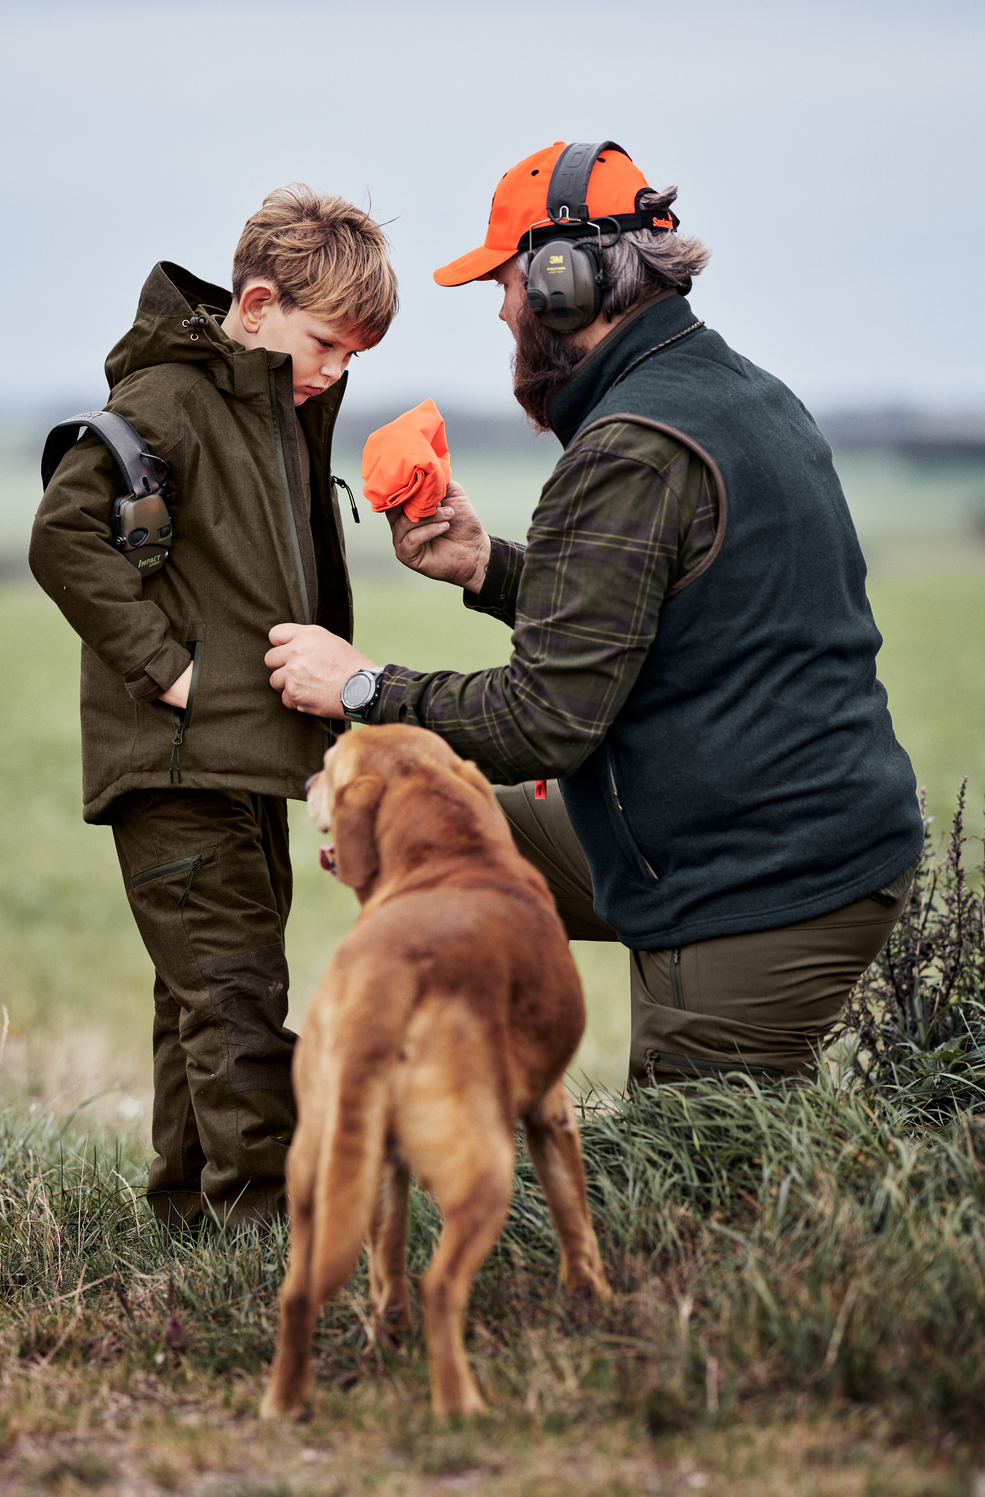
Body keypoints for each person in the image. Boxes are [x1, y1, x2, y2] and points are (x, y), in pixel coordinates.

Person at [263, 141, 923, 1087]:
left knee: (675, 1205)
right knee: (434, 830)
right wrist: (483, 566)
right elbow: (647, 613)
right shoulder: (731, 392)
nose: (498, 309)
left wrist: (359, 688)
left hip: (755, 881)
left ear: (565, 281)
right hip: (762, 822)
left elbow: (546, 719)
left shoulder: (628, 447)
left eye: (505, 282)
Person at [30, 187, 397, 1225]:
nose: (337, 368)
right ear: (258, 302)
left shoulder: (272, 407)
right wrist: (166, 668)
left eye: (356, 355)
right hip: (176, 757)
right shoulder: (171, 399)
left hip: (244, 758)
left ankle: (191, 1217)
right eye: (328, 341)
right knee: (238, 1007)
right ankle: (261, 1237)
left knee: (203, 999)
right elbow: (63, 536)